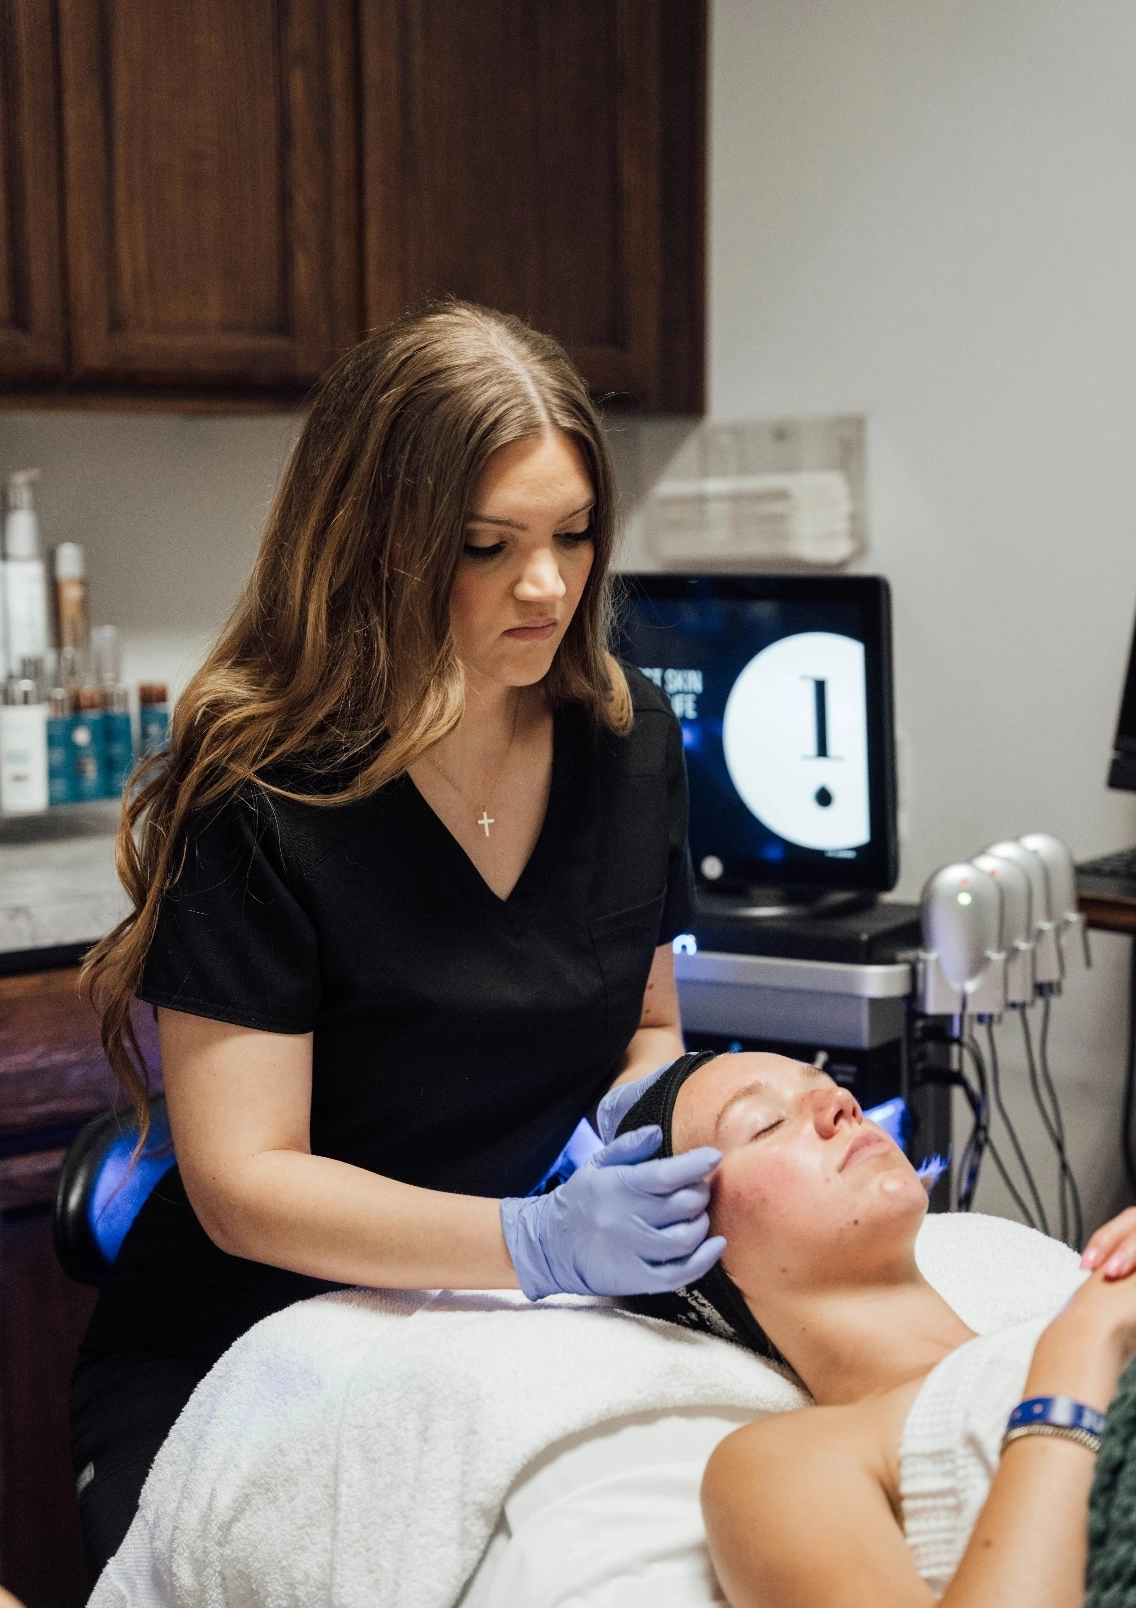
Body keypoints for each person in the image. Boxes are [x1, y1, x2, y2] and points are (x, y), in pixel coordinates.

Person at [71, 303, 724, 1570]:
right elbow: (243, 1182)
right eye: (488, 546)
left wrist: (691, 1139)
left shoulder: (626, 738)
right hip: (231, 1351)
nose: (547, 585)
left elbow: (646, 1027)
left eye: (573, 533)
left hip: (473, 1328)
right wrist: (534, 1241)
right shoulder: (261, 790)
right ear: (377, 546)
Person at [616, 1049, 1136, 1608]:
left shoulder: (1073, 1309)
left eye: (823, 1084)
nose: (840, 1102)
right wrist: (1082, 1345)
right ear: (689, 1257)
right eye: (764, 1123)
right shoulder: (780, 1464)